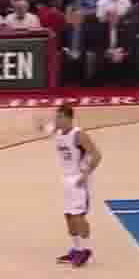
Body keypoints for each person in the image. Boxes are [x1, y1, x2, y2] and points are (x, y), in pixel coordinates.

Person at [47, 105, 102, 266]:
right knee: (68, 216)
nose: (57, 120)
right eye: (56, 117)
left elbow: (97, 155)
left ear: (69, 119)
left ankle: (85, 250)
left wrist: (85, 174)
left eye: (60, 118)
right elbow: (41, 128)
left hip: (79, 180)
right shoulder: (57, 132)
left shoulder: (78, 135)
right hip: (66, 179)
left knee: (78, 216)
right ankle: (77, 249)